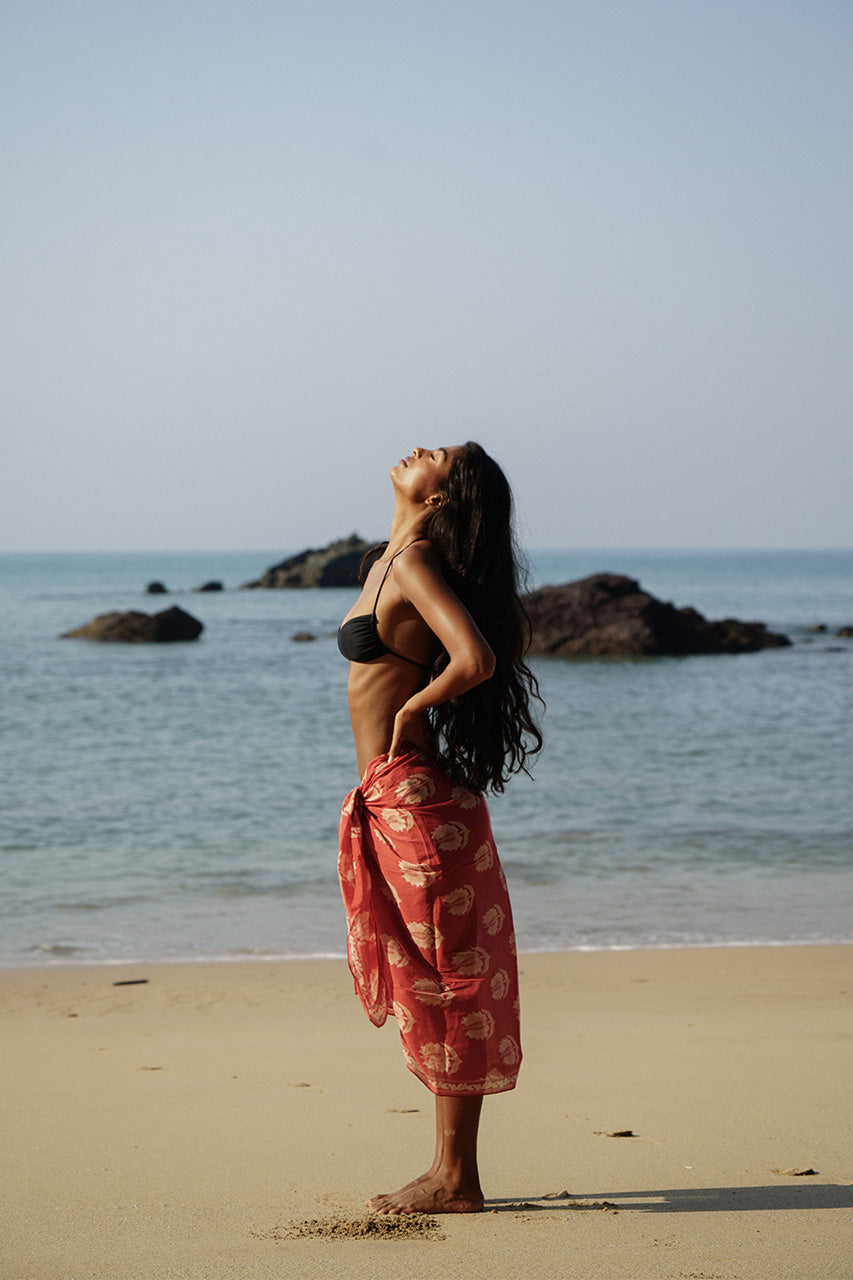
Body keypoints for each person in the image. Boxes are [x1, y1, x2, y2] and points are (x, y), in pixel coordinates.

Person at [337, 442, 542, 1214]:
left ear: (443, 495)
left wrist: (411, 710)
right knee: (437, 983)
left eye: (441, 455)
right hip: (401, 797)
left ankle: (457, 1180)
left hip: (418, 804)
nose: (420, 448)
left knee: (451, 985)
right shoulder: (388, 557)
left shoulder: (414, 561)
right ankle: (447, 1170)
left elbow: (474, 659)